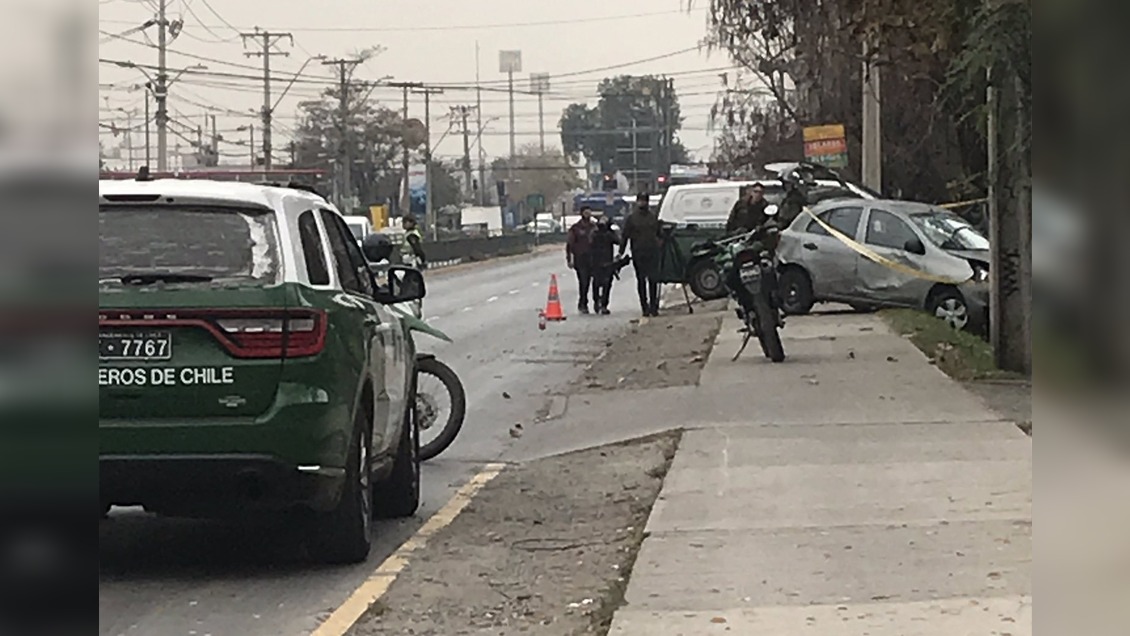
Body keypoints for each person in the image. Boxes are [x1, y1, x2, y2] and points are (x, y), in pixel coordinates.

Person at [619, 193, 662, 317]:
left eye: (644, 201)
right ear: (637, 202)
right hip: (638, 253)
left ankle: (654, 306)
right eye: (640, 201)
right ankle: (645, 306)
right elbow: (625, 236)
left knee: (653, 280)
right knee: (641, 280)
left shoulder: (653, 217)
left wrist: (661, 243)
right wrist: (621, 252)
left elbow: (659, 234)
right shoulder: (632, 219)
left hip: (652, 252)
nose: (642, 203)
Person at [566, 207, 598, 313]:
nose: (587, 214)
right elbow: (570, 244)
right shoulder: (576, 228)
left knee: (596, 282)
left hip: (593, 258)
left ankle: (597, 302)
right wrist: (569, 259)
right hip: (580, 258)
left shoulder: (594, 227)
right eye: (585, 212)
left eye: (589, 212)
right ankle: (583, 303)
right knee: (584, 282)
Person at [590, 215, 620, 315]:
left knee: (605, 284)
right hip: (597, 262)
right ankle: (598, 302)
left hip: (606, 262)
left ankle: (603, 304)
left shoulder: (608, 234)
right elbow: (590, 242)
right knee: (597, 284)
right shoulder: (595, 233)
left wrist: (611, 230)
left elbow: (618, 241)